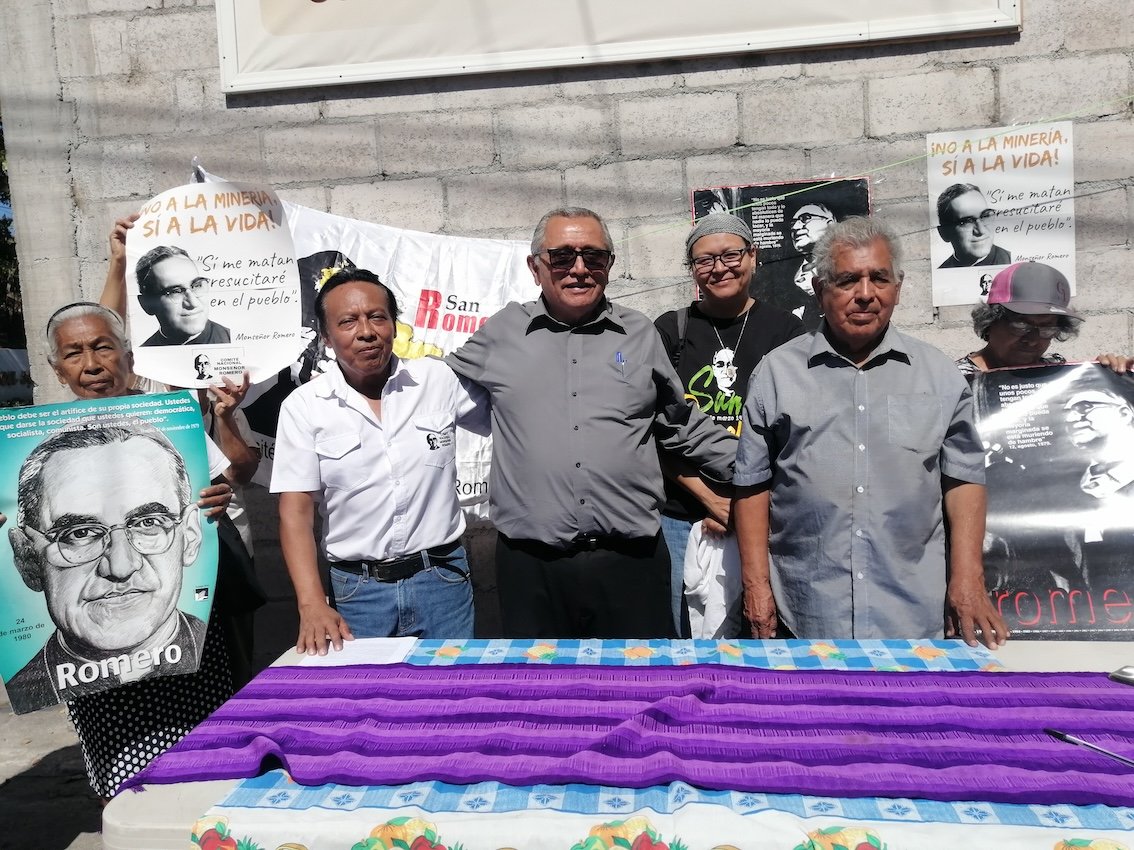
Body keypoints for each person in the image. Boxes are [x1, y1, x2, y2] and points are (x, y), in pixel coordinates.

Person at [446, 207, 735, 639]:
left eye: (593, 257)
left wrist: (758, 466)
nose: (579, 269)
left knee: (637, 678)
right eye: (562, 256)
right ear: (535, 267)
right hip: (531, 568)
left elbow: (680, 424)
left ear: (609, 265)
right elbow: (430, 396)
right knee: (543, 681)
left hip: (631, 563)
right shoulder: (502, 333)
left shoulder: (638, 333)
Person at [731, 216, 1008, 648]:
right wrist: (756, 586)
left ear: (898, 287)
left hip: (914, 614)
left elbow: (963, 479)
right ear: (820, 289)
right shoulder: (777, 374)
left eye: (879, 278)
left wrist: (968, 579)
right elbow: (752, 486)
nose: (865, 294)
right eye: (847, 280)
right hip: (806, 612)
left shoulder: (938, 375)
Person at [32, 301, 236, 798]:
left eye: (103, 347)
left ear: (128, 354)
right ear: (57, 369)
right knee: (129, 795)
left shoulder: (170, 421)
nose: (91, 364)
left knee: (213, 777)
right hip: (98, 683)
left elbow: (228, 478)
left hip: (193, 654)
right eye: (74, 353)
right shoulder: (29, 443)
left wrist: (218, 495)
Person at [271, 269, 488, 654]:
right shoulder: (304, 407)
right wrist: (311, 603)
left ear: (394, 324)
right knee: (365, 693)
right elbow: (296, 513)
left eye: (377, 317)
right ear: (325, 336)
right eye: (348, 321)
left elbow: (508, 416)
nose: (366, 331)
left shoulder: (436, 380)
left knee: (449, 687)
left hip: (442, 582)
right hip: (359, 594)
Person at [654, 213, 803, 636]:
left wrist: (743, 507)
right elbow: (650, 430)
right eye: (704, 260)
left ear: (753, 257)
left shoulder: (786, 331)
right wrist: (712, 500)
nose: (719, 268)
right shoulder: (670, 330)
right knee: (685, 635)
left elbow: (792, 435)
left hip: (763, 513)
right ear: (692, 270)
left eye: (731, 255)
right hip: (682, 515)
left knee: (760, 631)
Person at [6, 422, 208, 713]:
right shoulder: (29, 690)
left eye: (148, 523)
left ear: (190, 536)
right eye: (79, 533)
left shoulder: (215, 649)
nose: (121, 566)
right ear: (27, 558)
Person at [956, 261, 1133, 377]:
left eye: (1047, 329)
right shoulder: (958, 381)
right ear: (989, 322)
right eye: (1020, 325)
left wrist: (1111, 379)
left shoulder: (1056, 372)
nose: (1033, 340)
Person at [1061, 386, 1134, 594]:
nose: (1071, 419)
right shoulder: (1066, 491)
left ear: (1124, 413)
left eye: (1084, 407)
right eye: (1066, 414)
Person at [136, 245, 231, 346]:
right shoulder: (141, 354)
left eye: (197, 285)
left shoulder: (233, 340)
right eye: (175, 292)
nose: (193, 303)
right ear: (147, 304)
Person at [936, 184, 1012, 269]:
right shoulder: (940, 273)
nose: (981, 230)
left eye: (985, 216)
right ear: (944, 233)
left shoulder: (1012, 261)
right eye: (966, 222)